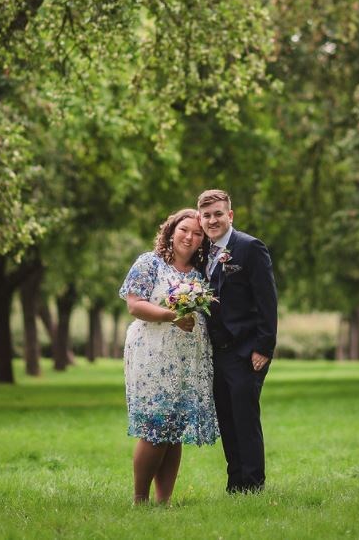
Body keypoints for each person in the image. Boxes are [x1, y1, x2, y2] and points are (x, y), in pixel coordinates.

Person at [118, 208, 219, 504]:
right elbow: (135, 305)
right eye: (184, 229)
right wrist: (171, 315)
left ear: (203, 240)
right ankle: (140, 499)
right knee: (156, 425)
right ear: (171, 231)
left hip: (188, 356)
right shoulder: (149, 263)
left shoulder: (201, 274)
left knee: (175, 427)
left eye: (197, 233)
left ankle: (164, 502)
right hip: (152, 354)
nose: (190, 236)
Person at [197, 189, 278, 494]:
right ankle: (236, 484)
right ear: (200, 218)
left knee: (245, 419)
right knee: (227, 420)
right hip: (215, 353)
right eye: (207, 215)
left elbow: (267, 300)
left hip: (246, 351)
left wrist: (263, 347)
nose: (212, 220)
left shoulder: (249, 248)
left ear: (230, 215)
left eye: (218, 214)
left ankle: (254, 485)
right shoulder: (202, 251)